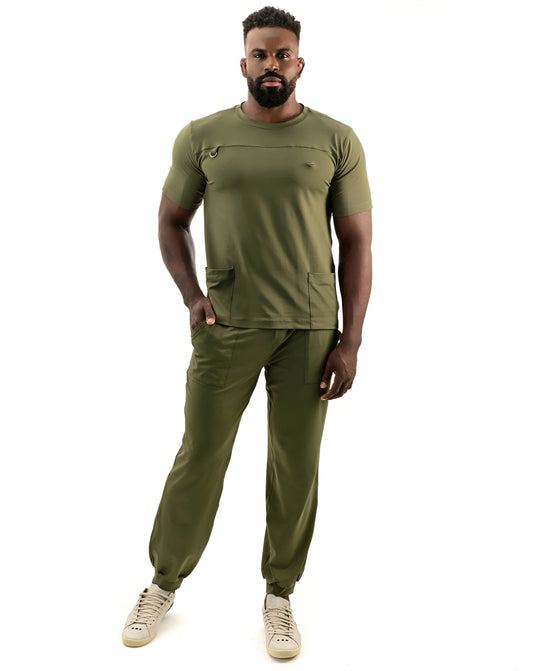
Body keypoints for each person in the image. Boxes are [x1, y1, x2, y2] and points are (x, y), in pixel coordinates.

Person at [122, 5, 373, 660]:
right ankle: (162, 582)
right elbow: (170, 221)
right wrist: (191, 296)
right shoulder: (203, 136)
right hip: (226, 324)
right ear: (243, 62)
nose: (271, 64)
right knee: (201, 454)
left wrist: (350, 340)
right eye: (260, 54)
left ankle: (279, 595)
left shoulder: (336, 140)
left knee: (296, 464)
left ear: (300, 62)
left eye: (282, 53)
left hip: (309, 329)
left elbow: (357, 243)